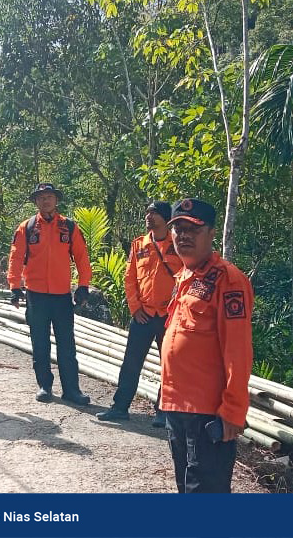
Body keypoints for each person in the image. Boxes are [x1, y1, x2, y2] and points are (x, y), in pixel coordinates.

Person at [160, 198, 254, 493]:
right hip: (176, 405)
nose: (184, 236)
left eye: (193, 230)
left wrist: (233, 409)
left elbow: (238, 350)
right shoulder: (184, 276)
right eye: (178, 229)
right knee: (186, 488)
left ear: (211, 233)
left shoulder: (228, 280)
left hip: (208, 411)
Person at [7, 182, 93, 405]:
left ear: (56, 200)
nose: (46, 201)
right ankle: (44, 386)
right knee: (40, 343)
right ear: (36, 201)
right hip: (36, 296)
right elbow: (16, 258)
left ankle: (72, 390)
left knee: (67, 345)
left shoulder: (69, 227)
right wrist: (14, 286)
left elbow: (82, 258)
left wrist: (83, 285)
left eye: (49, 197)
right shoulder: (26, 228)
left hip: (62, 296)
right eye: (41, 197)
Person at [97, 202, 182, 427]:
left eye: (154, 213)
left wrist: (176, 311)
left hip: (169, 317)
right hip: (143, 315)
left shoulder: (178, 245)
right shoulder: (139, 245)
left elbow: (186, 279)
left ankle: (163, 411)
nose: (148, 217)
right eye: (147, 213)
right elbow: (130, 278)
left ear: (166, 219)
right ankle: (120, 407)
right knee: (131, 363)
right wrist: (135, 309)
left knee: (170, 366)